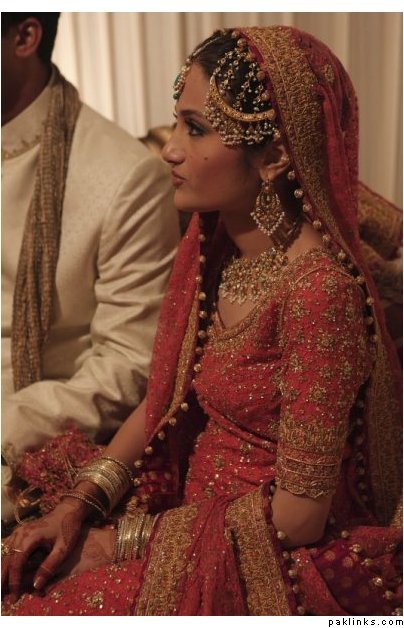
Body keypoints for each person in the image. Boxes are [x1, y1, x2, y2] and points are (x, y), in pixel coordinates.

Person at [1, 25, 402, 616]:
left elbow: (299, 517)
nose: (169, 149)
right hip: (184, 517)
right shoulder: (221, 253)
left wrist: (119, 544)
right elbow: (165, 395)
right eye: (178, 123)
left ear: (273, 157)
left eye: (196, 129)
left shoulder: (318, 293)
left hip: (256, 553)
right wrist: (80, 502)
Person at [1, 13, 179, 524]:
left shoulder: (125, 175)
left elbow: (128, 363)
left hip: (27, 437)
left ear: (25, 36)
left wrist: (10, 421)